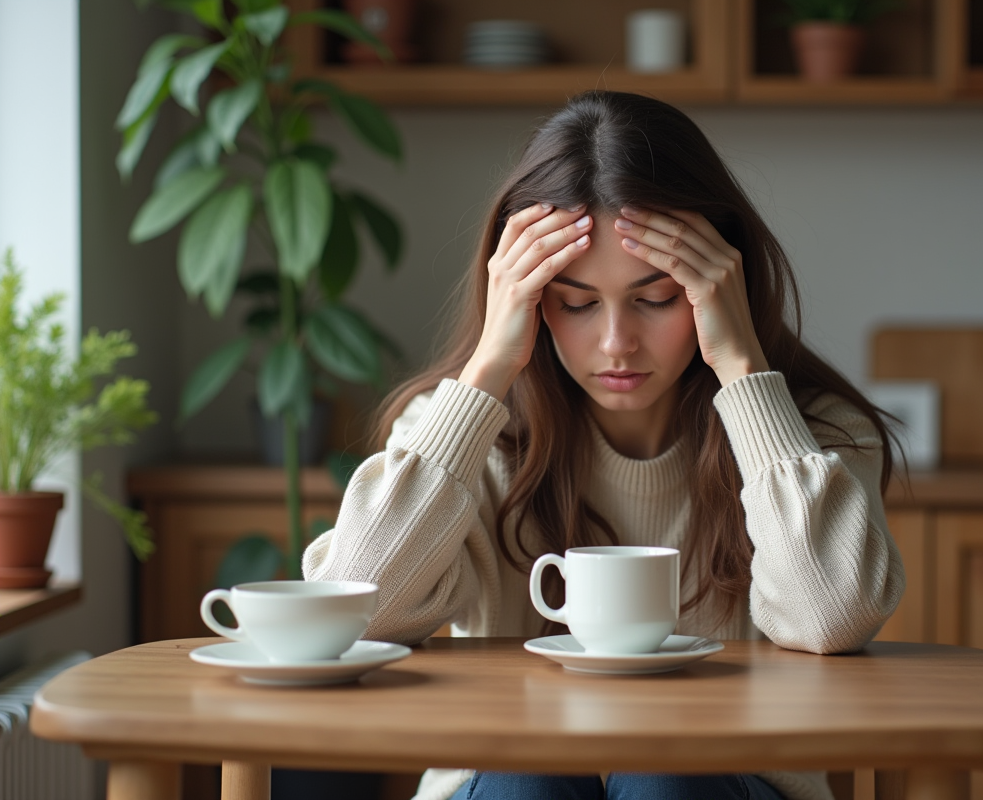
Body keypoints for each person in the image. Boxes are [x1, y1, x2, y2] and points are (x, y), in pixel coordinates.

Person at [303, 90, 906, 800]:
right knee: (529, 774)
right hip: (504, 783)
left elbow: (831, 617)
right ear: (524, 298)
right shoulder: (459, 432)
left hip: (725, 786)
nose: (617, 343)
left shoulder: (814, 435)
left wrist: (743, 370)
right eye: (577, 303)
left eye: (657, 298)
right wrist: (489, 372)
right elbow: (356, 614)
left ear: (721, 286)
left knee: (668, 773)